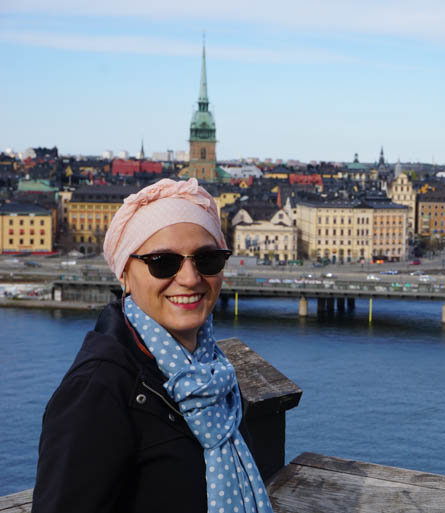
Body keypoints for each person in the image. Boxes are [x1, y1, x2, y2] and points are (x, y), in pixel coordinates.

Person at [33, 178, 273, 513]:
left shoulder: (211, 371)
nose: (190, 278)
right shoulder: (97, 391)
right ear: (125, 274)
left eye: (207, 259)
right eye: (163, 262)